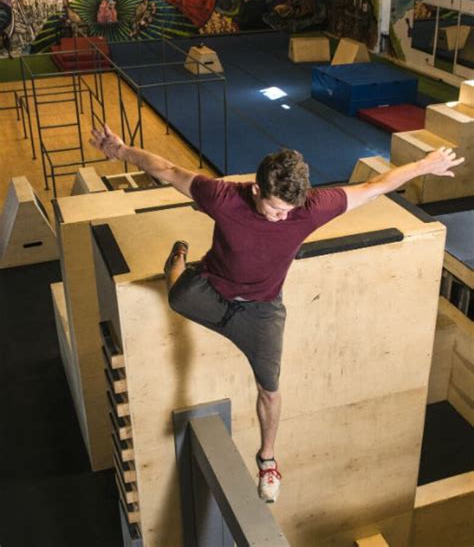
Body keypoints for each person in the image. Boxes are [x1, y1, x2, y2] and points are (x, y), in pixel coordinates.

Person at [90, 125, 464, 503]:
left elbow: (374, 187)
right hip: (212, 287)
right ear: (255, 190)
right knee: (178, 295)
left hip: (262, 311)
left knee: (270, 388)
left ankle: (267, 460)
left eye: (288, 211)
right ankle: (179, 258)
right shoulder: (222, 197)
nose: (281, 218)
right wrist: (120, 151)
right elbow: (168, 170)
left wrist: (423, 165)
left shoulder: (309, 208)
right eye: (273, 208)